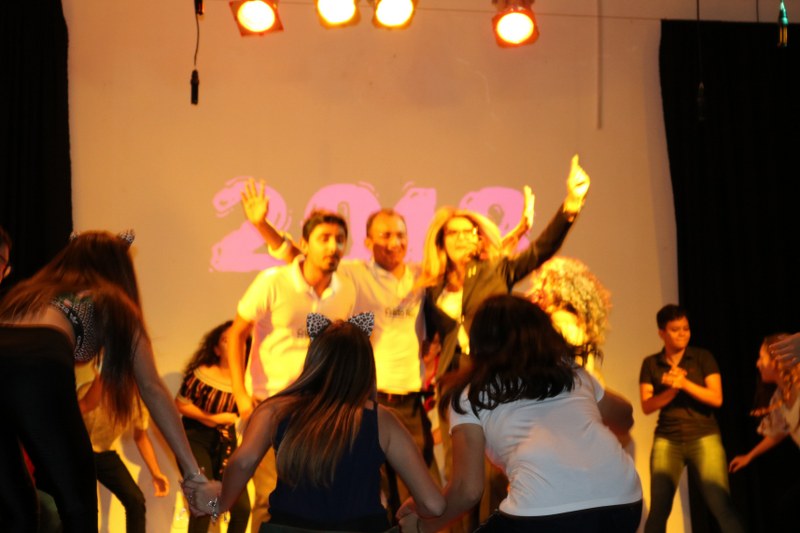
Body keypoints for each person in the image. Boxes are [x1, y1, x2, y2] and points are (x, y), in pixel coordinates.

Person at [418, 155, 590, 527]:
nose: (463, 238)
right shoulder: (430, 290)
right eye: (454, 233)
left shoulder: (497, 270)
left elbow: (541, 250)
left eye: (470, 231)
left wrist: (571, 205)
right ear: (441, 242)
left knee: (495, 472)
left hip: (495, 379)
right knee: (460, 473)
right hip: (455, 384)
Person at [0, 230, 210, 532]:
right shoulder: (108, 299)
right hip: (36, 368)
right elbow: (151, 387)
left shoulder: (26, 293)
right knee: (78, 507)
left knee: (15, 508)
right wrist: (192, 472)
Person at [398, 294, 641, 532]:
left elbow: (467, 490)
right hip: (623, 501)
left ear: (480, 343)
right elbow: (625, 416)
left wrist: (422, 526)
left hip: (543, 513)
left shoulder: (471, 394)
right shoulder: (571, 374)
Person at [192, 313, 445, 532]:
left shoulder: (274, 410)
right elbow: (434, 504)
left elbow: (243, 462)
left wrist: (219, 503)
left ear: (314, 359)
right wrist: (412, 510)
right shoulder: (382, 420)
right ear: (366, 366)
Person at [226, 210, 356, 529]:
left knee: (313, 498)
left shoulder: (346, 290)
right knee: (269, 498)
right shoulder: (273, 282)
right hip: (270, 406)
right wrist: (240, 396)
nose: (333, 247)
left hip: (317, 409)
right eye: (324, 239)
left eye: (340, 240)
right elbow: (236, 334)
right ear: (304, 244)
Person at [639, 304, 744, 533]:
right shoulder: (651, 363)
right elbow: (647, 405)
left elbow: (716, 398)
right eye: (675, 329)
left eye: (686, 328)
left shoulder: (702, 357)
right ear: (661, 333)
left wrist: (684, 383)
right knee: (659, 509)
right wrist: (672, 390)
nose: (682, 334)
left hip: (704, 436)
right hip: (667, 439)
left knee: (721, 504)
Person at [175, 321, 251, 533]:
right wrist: (212, 418)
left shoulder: (247, 380)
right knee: (203, 501)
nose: (234, 344)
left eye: (240, 340)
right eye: (227, 340)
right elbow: (179, 404)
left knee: (242, 507)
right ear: (216, 349)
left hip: (227, 443)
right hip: (196, 439)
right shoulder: (202, 373)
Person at [77, 369, 170, 533]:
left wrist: (156, 473)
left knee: (135, 500)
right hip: (76, 451)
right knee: (82, 507)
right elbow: (81, 408)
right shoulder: (92, 390)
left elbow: (141, 437)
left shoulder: (137, 402)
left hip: (104, 453)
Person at [729, 333, 800, 472]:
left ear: (776, 361)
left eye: (762, 358)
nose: (758, 363)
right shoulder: (780, 397)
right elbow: (778, 431)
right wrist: (749, 456)